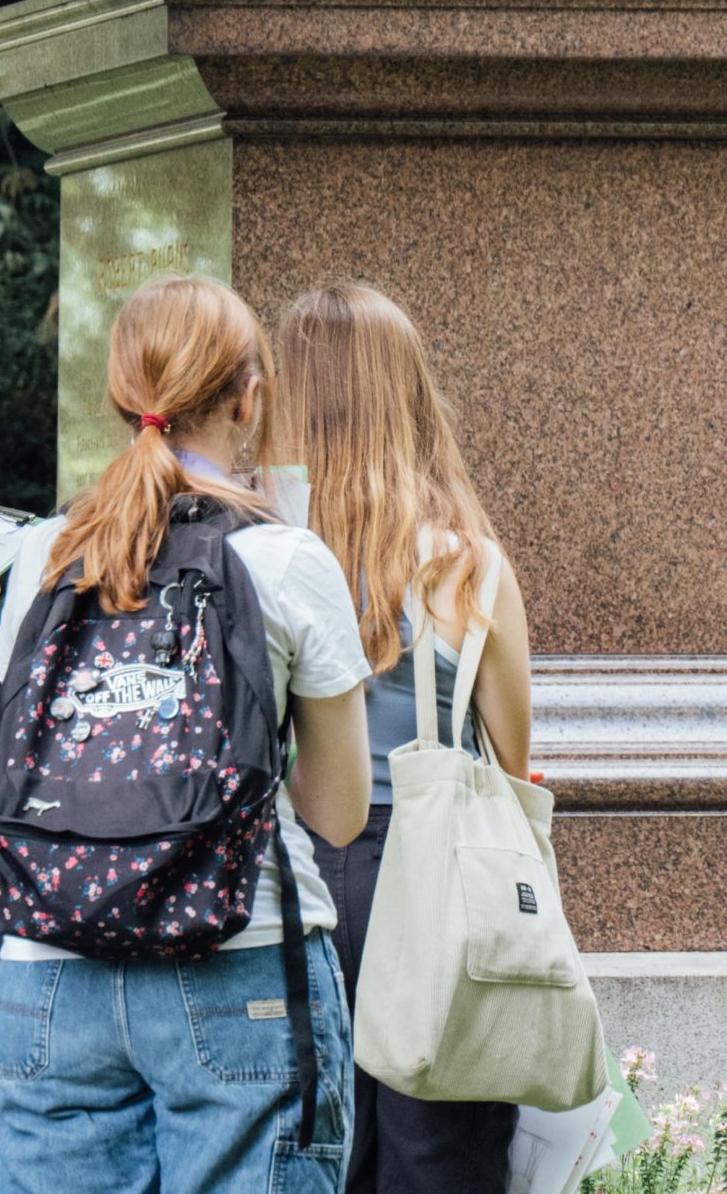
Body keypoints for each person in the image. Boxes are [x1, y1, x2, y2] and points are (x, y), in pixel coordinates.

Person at [0, 275, 373, 1194]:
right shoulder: (283, 558)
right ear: (249, 396)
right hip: (239, 962)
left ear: (122, 393)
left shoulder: (50, 553)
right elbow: (342, 812)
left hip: (47, 967)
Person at [273, 281, 534, 1194]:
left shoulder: (258, 548)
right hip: (438, 866)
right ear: (412, 397)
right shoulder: (468, 562)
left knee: (312, 1147)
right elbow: (511, 749)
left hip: (291, 867)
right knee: (443, 1152)